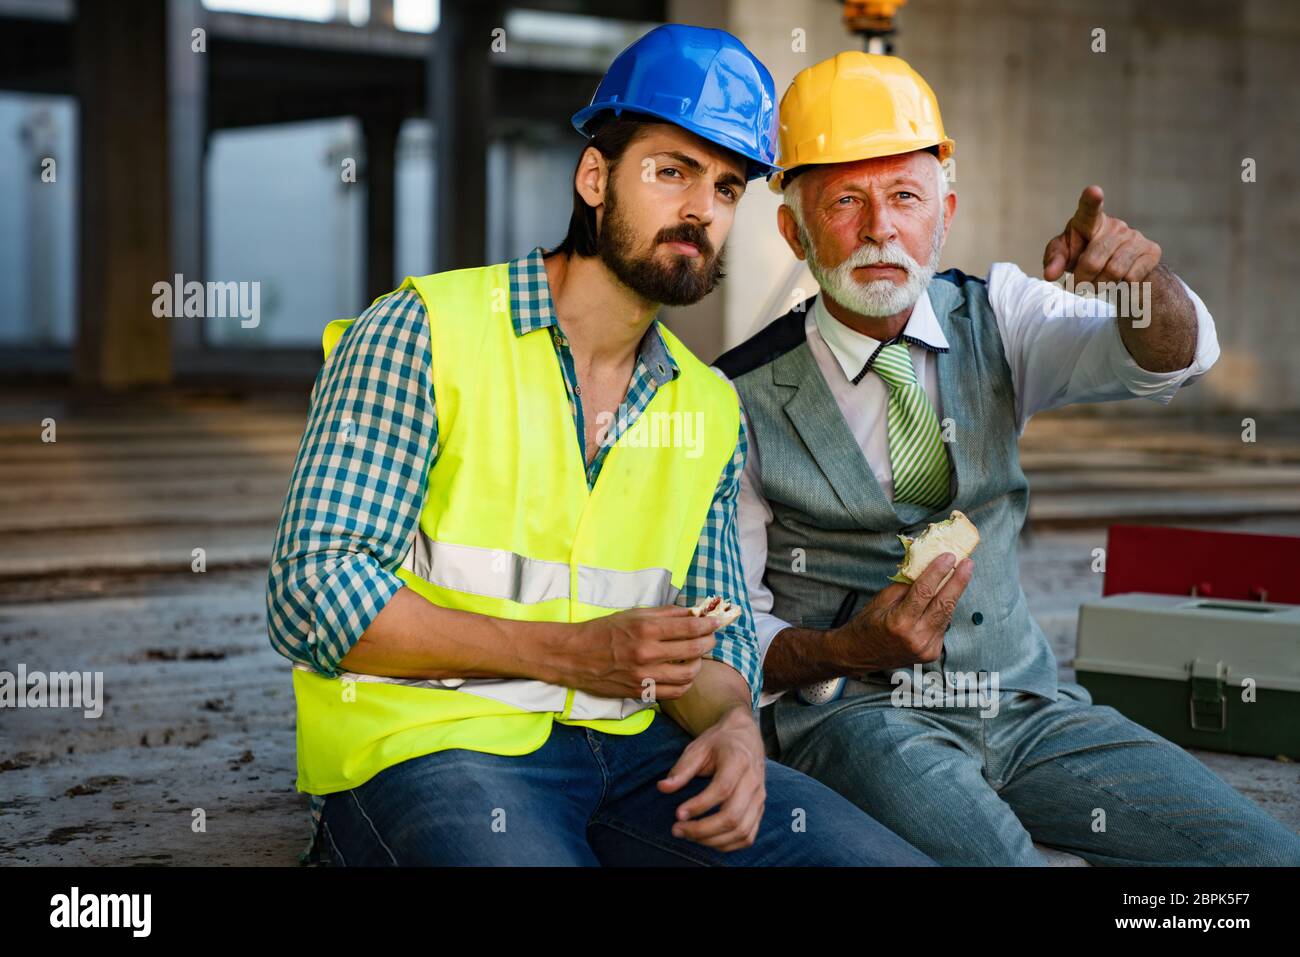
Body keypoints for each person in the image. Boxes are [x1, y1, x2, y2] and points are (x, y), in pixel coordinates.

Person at [266, 26, 931, 867]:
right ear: (594, 178)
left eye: (726, 189)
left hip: (638, 754)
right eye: (671, 171)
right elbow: (311, 592)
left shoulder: (709, 406)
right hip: (435, 745)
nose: (700, 210)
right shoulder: (425, 330)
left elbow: (716, 637)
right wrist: (571, 652)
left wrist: (733, 726)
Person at [713, 50, 1300, 865]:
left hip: (1026, 705)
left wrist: (1144, 282)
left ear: (944, 211)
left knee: (1262, 859)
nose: (880, 227)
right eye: (846, 200)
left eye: (906, 197)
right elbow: (728, 634)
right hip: (858, 718)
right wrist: (843, 652)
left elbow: (1173, 356)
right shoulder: (730, 398)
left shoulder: (1000, 312)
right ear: (793, 228)